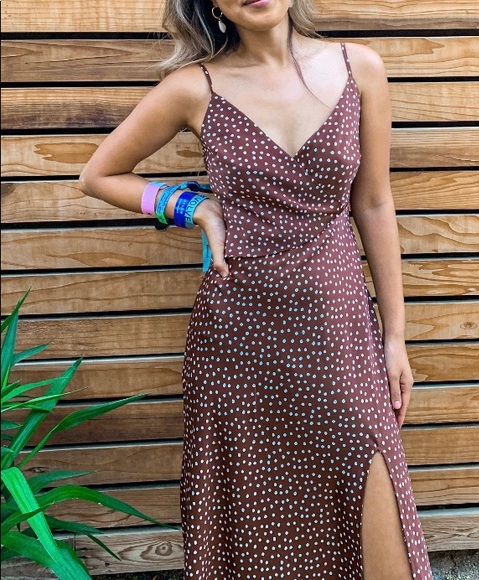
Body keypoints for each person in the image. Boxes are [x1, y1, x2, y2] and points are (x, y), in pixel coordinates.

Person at [79, 1, 433, 578]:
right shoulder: (194, 87)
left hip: (339, 327)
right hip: (239, 336)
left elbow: (373, 202)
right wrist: (192, 207)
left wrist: (395, 338)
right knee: (253, 499)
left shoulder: (359, 68)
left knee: (369, 478)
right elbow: (98, 175)